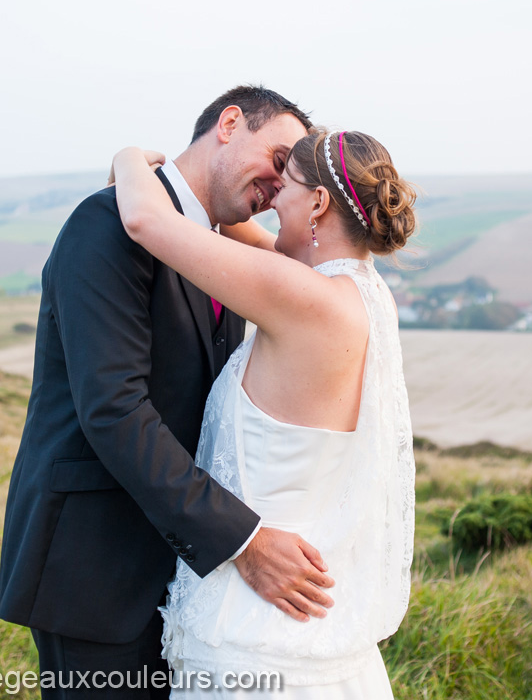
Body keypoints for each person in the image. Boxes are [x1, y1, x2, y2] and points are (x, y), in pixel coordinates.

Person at [0, 86, 338, 700]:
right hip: (97, 570)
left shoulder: (217, 248)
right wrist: (246, 541)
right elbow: (115, 411)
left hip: (183, 579)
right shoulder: (103, 224)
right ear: (230, 123)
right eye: (279, 156)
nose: (278, 183)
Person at [110, 127, 418, 698]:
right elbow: (250, 241)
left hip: (251, 625)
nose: (274, 197)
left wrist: (128, 158)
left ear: (320, 203)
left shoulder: (300, 297)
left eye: (288, 185)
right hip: (308, 618)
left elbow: (146, 222)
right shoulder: (359, 295)